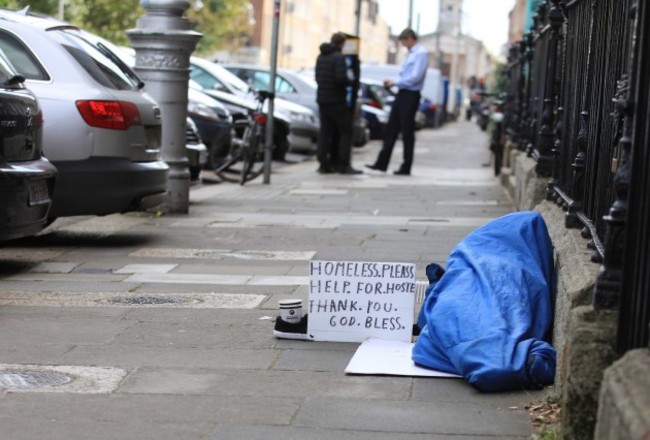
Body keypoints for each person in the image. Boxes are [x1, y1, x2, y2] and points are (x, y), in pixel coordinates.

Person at [366, 28, 428, 176]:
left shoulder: (420, 54)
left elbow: (415, 77)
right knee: (391, 128)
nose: (403, 45)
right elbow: (405, 74)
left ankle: (406, 166)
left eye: (404, 42)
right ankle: (381, 163)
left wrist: (395, 82)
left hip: (411, 94)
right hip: (402, 93)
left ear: (410, 39)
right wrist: (394, 81)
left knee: (407, 132)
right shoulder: (411, 54)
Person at [315, 32, 362, 175]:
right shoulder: (339, 57)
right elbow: (341, 79)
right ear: (342, 43)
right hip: (337, 100)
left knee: (325, 132)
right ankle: (343, 164)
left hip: (323, 99)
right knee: (346, 131)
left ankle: (324, 163)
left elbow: (318, 77)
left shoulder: (321, 56)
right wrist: (352, 80)